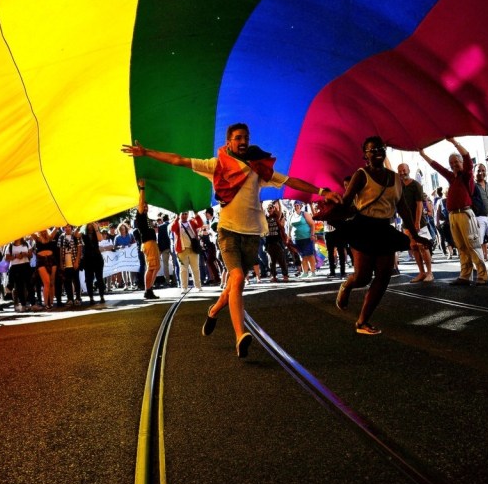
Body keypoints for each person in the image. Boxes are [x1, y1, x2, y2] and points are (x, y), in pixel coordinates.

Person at [123, 123, 340, 356]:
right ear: (229, 142)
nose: (243, 141)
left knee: (235, 284)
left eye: (246, 137)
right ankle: (240, 336)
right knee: (236, 277)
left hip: (252, 234)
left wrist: (321, 191)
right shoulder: (216, 165)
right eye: (237, 138)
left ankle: (214, 310)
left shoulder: (259, 168)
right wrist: (146, 153)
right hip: (228, 232)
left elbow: (289, 181)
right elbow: (179, 160)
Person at [333, 137, 408, 334]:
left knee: (384, 274)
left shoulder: (395, 178)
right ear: (364, 155)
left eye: (380, 148)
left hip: (384, 228)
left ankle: (362, 322)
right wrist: (333, 213)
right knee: (362, 277)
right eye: (372, 149)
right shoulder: (361, 174)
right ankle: (347, 286)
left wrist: (415, 234)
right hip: (363, 227)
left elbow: (403, 208)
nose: (377, 152)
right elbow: (347, 202)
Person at [420, 138, 488, 286]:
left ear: (462, 163)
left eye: (456, 162)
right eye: (451, 163)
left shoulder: (467, 174)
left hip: (465, 214)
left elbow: (467, 156)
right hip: (453, 215)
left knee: (472, 245)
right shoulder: (452, 178)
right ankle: (465, 276)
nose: (454, 165)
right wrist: (422, 154)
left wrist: (454, 142)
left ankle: (482, 276)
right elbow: (437, 167)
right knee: (461, 246)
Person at [396, 163, 433, 283]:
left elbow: (419, 204)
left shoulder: (416, 185)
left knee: (423, 246)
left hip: (419, 223)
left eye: (404, 170)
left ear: (409, 170)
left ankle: (429, 273)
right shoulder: (399, 186)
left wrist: (417, 222)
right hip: (406, 223)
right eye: (400, 171)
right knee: (414, 248)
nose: (402, 173)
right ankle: (421, 272)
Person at [290, 201, 317, 278]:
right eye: (294, 205)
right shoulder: (291, 216)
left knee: (310, 255)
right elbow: (290, 227)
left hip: (307, 237)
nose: (296, 207)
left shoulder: (304, 214)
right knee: (302, 256)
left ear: (300, 206)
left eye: (297, 205)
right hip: (297, 239)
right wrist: (289, 236)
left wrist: (312, 234)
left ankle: (313, 272)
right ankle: (305, 272)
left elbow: (312, 224)